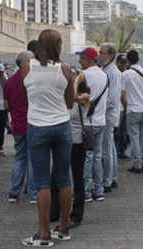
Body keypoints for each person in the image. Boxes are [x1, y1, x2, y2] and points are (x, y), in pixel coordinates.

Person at [19, 29, 75, 247]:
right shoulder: (65, 69)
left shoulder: (26, 66)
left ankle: (43, 234)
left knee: (42, 183)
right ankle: (63, 227)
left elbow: (27, 96)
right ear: (57, 45)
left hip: (37, 128)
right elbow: (70, 103)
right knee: (63, 179)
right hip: (61, 126)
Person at [50, 69, 90, 230]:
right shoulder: (63, 96)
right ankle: (54, 211)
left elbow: (73, 99)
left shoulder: (84, 97)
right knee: (55, 178)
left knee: (77, 179)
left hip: (77, 143)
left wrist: (74, 82)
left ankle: (77, 215)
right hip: (62, 142)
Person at [4, 50, 37, 204]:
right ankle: (32, 193)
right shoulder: (33, 80)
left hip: (17, 124)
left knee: (19, 157)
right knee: (32, 158)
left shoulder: (9, 81)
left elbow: (6, 105)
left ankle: (14, 192)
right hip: (33, 123)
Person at [76, 47, 108, 203]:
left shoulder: (83, 76)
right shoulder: (105, 76)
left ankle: (87, 192)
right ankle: (99, 191)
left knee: (87, 157)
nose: (79, 62)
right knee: (97, 156)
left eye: (81, 59)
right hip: (101, 121)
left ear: (88, 60)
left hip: (87, 122)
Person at [121, 50, 143, 174]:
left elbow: (123, 94)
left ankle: (137, 164)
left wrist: (126, 106)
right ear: (138, 59)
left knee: (134, 137)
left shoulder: (125, 74)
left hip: (133, 109)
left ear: (128, 61)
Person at [99, 42, 121, 193]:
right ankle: (112, 177)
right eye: (100, 52)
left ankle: (107, 180)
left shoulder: (112, 73)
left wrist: (96, 106)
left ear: (111, 56)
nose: (100, 56)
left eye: (103, 53)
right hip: (106, 114)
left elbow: (111, 99)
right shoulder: (105, 70)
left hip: (107, 115)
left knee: (106, 148)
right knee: (110, 147)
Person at [115, 54, 130, 160]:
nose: (124, 65)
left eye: (125, 63)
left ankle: (122, 152)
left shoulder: (126, 74)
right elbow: (120, 93)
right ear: (117, 63)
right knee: (116, 132)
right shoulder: (114, 74)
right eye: (122, 63)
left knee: (123, 132)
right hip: (118, 108)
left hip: (125, 107)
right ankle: (115, 154)